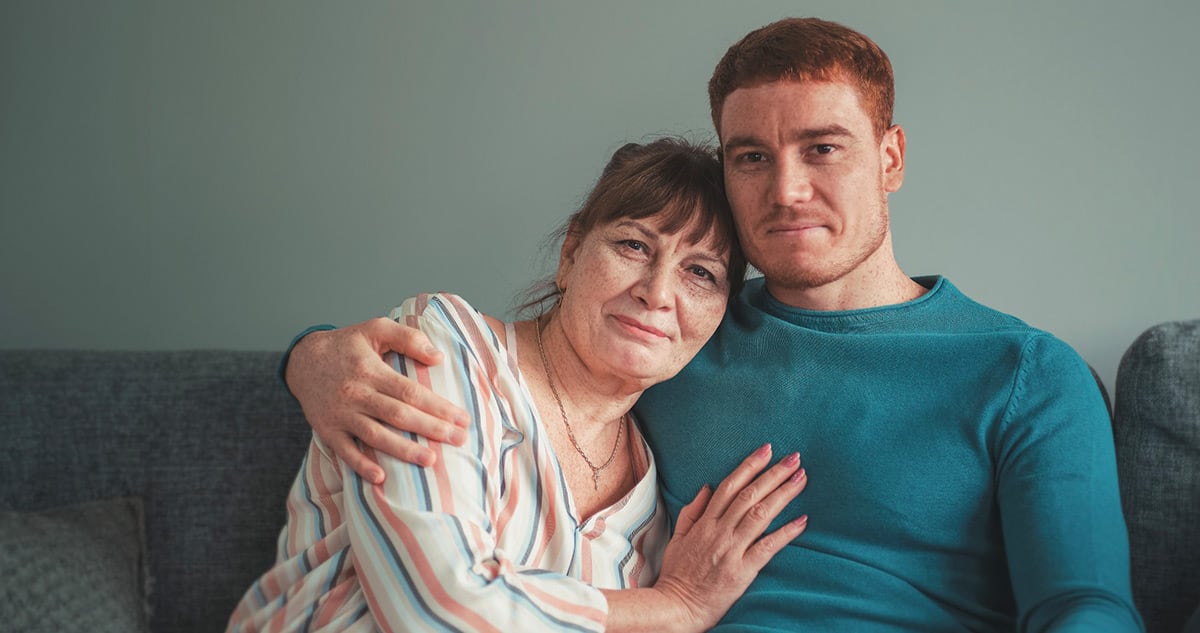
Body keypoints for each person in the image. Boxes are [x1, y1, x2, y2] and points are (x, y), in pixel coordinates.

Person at [282, 18, 1144, 632]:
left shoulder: (1022, 370)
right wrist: (313, 356)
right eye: (752, 157)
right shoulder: (675, 336)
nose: (786, 190)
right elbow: (502, 367)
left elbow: (1083, 605)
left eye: (823, 148)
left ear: (892, 157)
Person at [227, 138, 812, 633]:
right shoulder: (443, 350)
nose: (658, 292)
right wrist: (672, 606)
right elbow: (437, 612)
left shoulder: (654, 496)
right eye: (634, 245)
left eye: (700, 273)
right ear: (571, 253)